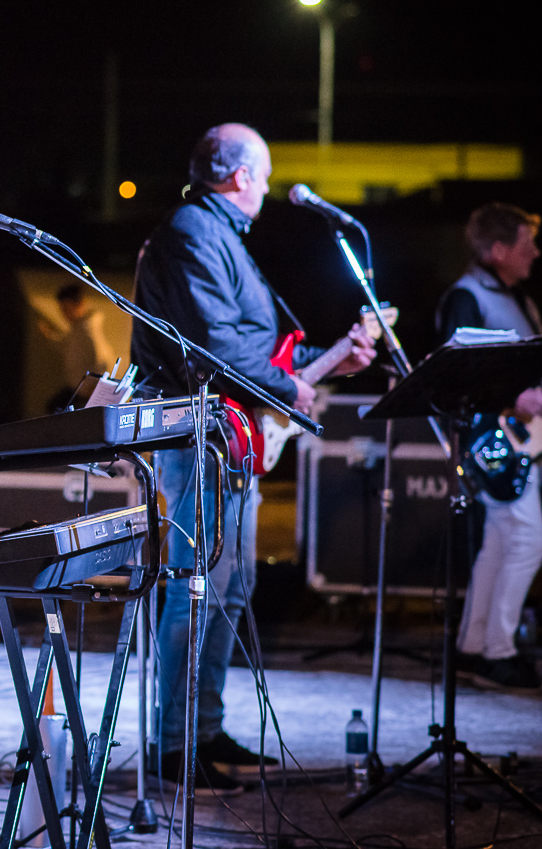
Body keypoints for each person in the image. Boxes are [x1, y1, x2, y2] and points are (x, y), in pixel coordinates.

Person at [131, 124, 376, 795]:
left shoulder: (221, 236)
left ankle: (204, 729)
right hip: (197, 436)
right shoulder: (193, 231)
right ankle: (174, 744)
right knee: (195, 587)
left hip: (228, 435)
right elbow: (216, 349)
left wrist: (332, 360)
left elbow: (260, 349)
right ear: (239, 177)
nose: (267, 189)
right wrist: (293, 387)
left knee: (229, 587)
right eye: (264, 176)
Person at [435, 202, 542, 690]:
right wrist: (514, 398)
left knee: (500, 544)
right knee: (526, 541)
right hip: (493, 443)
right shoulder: (467, 297)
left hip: (521, 443)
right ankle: (499, 651)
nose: (535, 253)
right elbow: (458, 377)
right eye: (527, 244)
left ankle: (474, 646)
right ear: (498, 250)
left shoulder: (520, 300)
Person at [39, 282, 116, 411]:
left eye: (66, 309)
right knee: (54, 406)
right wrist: (48, 337)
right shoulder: (77, 329)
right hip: (77, 388)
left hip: (86, 393)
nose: (64, 313)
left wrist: (95, 388)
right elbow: (67, 347)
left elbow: (103, 361)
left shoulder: (87, 330)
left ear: (79, 304)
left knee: (56, 408)